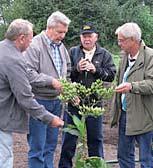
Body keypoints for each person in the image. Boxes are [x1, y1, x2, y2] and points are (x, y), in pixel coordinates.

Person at [0, 19, 64, 168]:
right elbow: (25, 98)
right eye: (30, 39)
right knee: (4, 158)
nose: (30, 43)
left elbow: (24, 75)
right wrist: (49, 118)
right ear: (21, 38)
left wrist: (49, 80)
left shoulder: (3, 49)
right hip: (1, 118)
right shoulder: (13, 59)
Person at [58, 23, 116, 168]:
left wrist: (96, 70)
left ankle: (97, 165)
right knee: (69, 139)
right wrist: (77, 69)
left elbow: (111, 75)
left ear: (96, 37)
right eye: (84, 36)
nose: (87, 39)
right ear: (80, 38)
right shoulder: (73, 52)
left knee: (95, 139)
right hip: (75, 102)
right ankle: (65, 166)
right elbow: (65, 74)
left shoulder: (104, 55)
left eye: (90, 36)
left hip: (94, 104)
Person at [111, 22, 153, 168]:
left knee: (146, 157)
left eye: (121, 40)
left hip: (145, 115)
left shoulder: (151, 57)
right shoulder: (124, 57)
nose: (118, 43)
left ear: (132, 40)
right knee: (124, 155)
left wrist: (132, 86)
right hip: (126, 114)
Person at [24, 11, 71, 168]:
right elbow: (28, 73)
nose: (62, 36)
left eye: (65, 32)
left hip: (56, 102)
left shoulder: (61, 47)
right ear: (49, 28)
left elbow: (67, 70)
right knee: (37, 148)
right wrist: (51, 81)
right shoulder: (34, 45)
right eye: (60, 32)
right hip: (39, 101)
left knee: (50, 147)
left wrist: (68, 88)